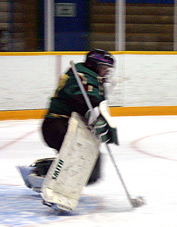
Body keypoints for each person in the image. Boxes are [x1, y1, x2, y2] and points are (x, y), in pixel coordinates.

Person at [19, 49, 118, 194]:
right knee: (82, 160)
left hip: (64, 126)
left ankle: (39, 171)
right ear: (94, 65)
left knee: (92, 167)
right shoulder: (82, 76)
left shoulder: (89, 77)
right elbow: (82, 100)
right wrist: (96, 113)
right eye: (104, 68)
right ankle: (55, 190)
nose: (106, 72)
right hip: (57, 125)